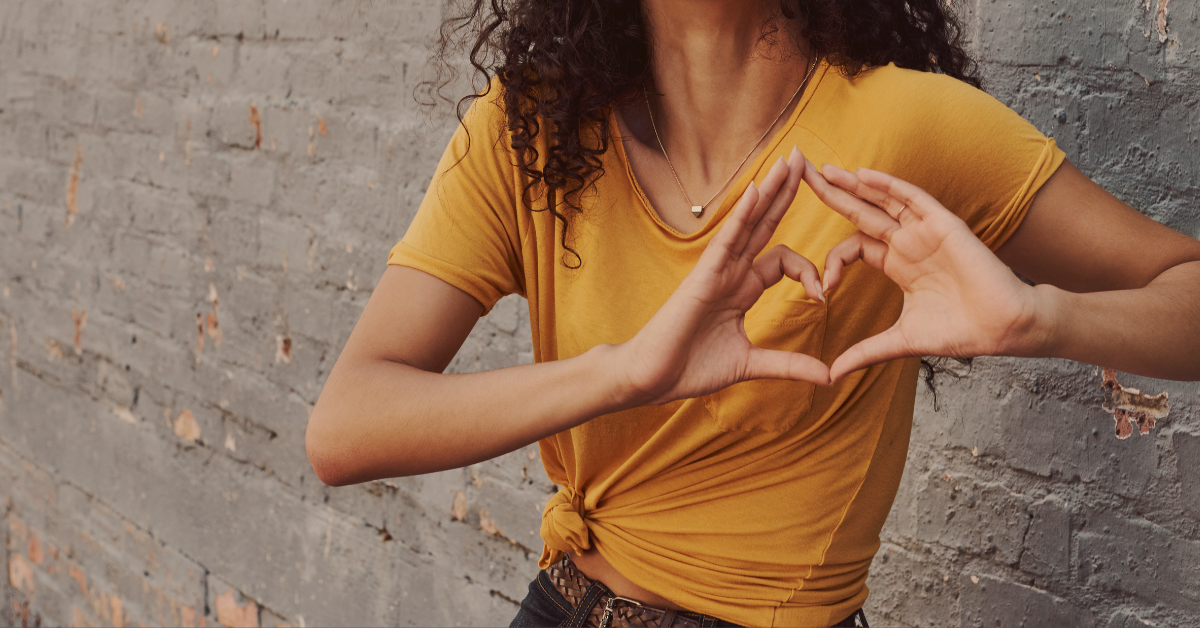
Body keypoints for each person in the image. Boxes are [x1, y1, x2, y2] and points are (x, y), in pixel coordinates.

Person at [304, 0, 1200, 626]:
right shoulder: (530, 127)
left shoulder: (911, 127)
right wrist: (626, 371)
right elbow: (346, 428)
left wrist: (1042, 320)